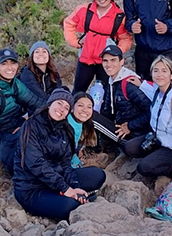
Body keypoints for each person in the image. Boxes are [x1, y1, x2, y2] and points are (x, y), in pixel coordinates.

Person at [13, 89, 106, 221]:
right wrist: (65, 188)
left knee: (98, 175)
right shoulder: (31, 126)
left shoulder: (65, 129)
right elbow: (36, 164)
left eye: (66, 107)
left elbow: (65, 163)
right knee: (71, 206)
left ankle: (63, 195)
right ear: (50, 103)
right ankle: (61, 197)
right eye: (59, 103)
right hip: (32, 187)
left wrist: (74, 186)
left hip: (57, 178)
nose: (61, 109)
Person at [124, 54, 172, 180]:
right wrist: (141, 84)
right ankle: (157, 156)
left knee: (144, 167)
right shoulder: (159, 90)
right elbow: (155, 96)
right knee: (129, 148)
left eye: (164, 71)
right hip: (160, 139)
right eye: (156, 71)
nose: (159, 75)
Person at [0, 48, 44, 175]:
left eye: (13, 63)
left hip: (17, 125)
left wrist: (56, 107)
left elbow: (34, 101)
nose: (10, 67)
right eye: (4, 64)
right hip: (3, 136)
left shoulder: (13, 83)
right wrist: (9, 136)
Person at [63, 0, 133, 93]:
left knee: (105, 94)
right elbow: (69, 23)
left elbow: (126, 38)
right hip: (86, 58)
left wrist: (116, 51)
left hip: (106, 62)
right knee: (78, 92)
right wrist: (74, 42)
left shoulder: (119, 16)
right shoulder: (85, 10)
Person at [92, 44, 151, 145]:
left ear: (122, 62)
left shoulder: (129, 83)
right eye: (105, 61)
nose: (108, 64)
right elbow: (108, 112)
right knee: (86, 111)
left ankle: (107, 149)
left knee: (90, 115)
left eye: (113, 60)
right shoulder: (111, 82)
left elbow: (151, 110)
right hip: (122, 127)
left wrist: (130, 126)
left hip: (134, 132)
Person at [19, 41, 64, 107]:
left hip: (50, 107)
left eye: (44, 51)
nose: (41, 54)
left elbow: (58, 92)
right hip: (31, 110)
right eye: (37, 52)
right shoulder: (27, 73)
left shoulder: (53, 73)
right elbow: (38, 95)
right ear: (32, 56)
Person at [67, 91, 97, 168]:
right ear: (72, 108)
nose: (85, 110)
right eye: (80, 105)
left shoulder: (79, 124)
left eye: (89, 107)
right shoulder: (67, 125)